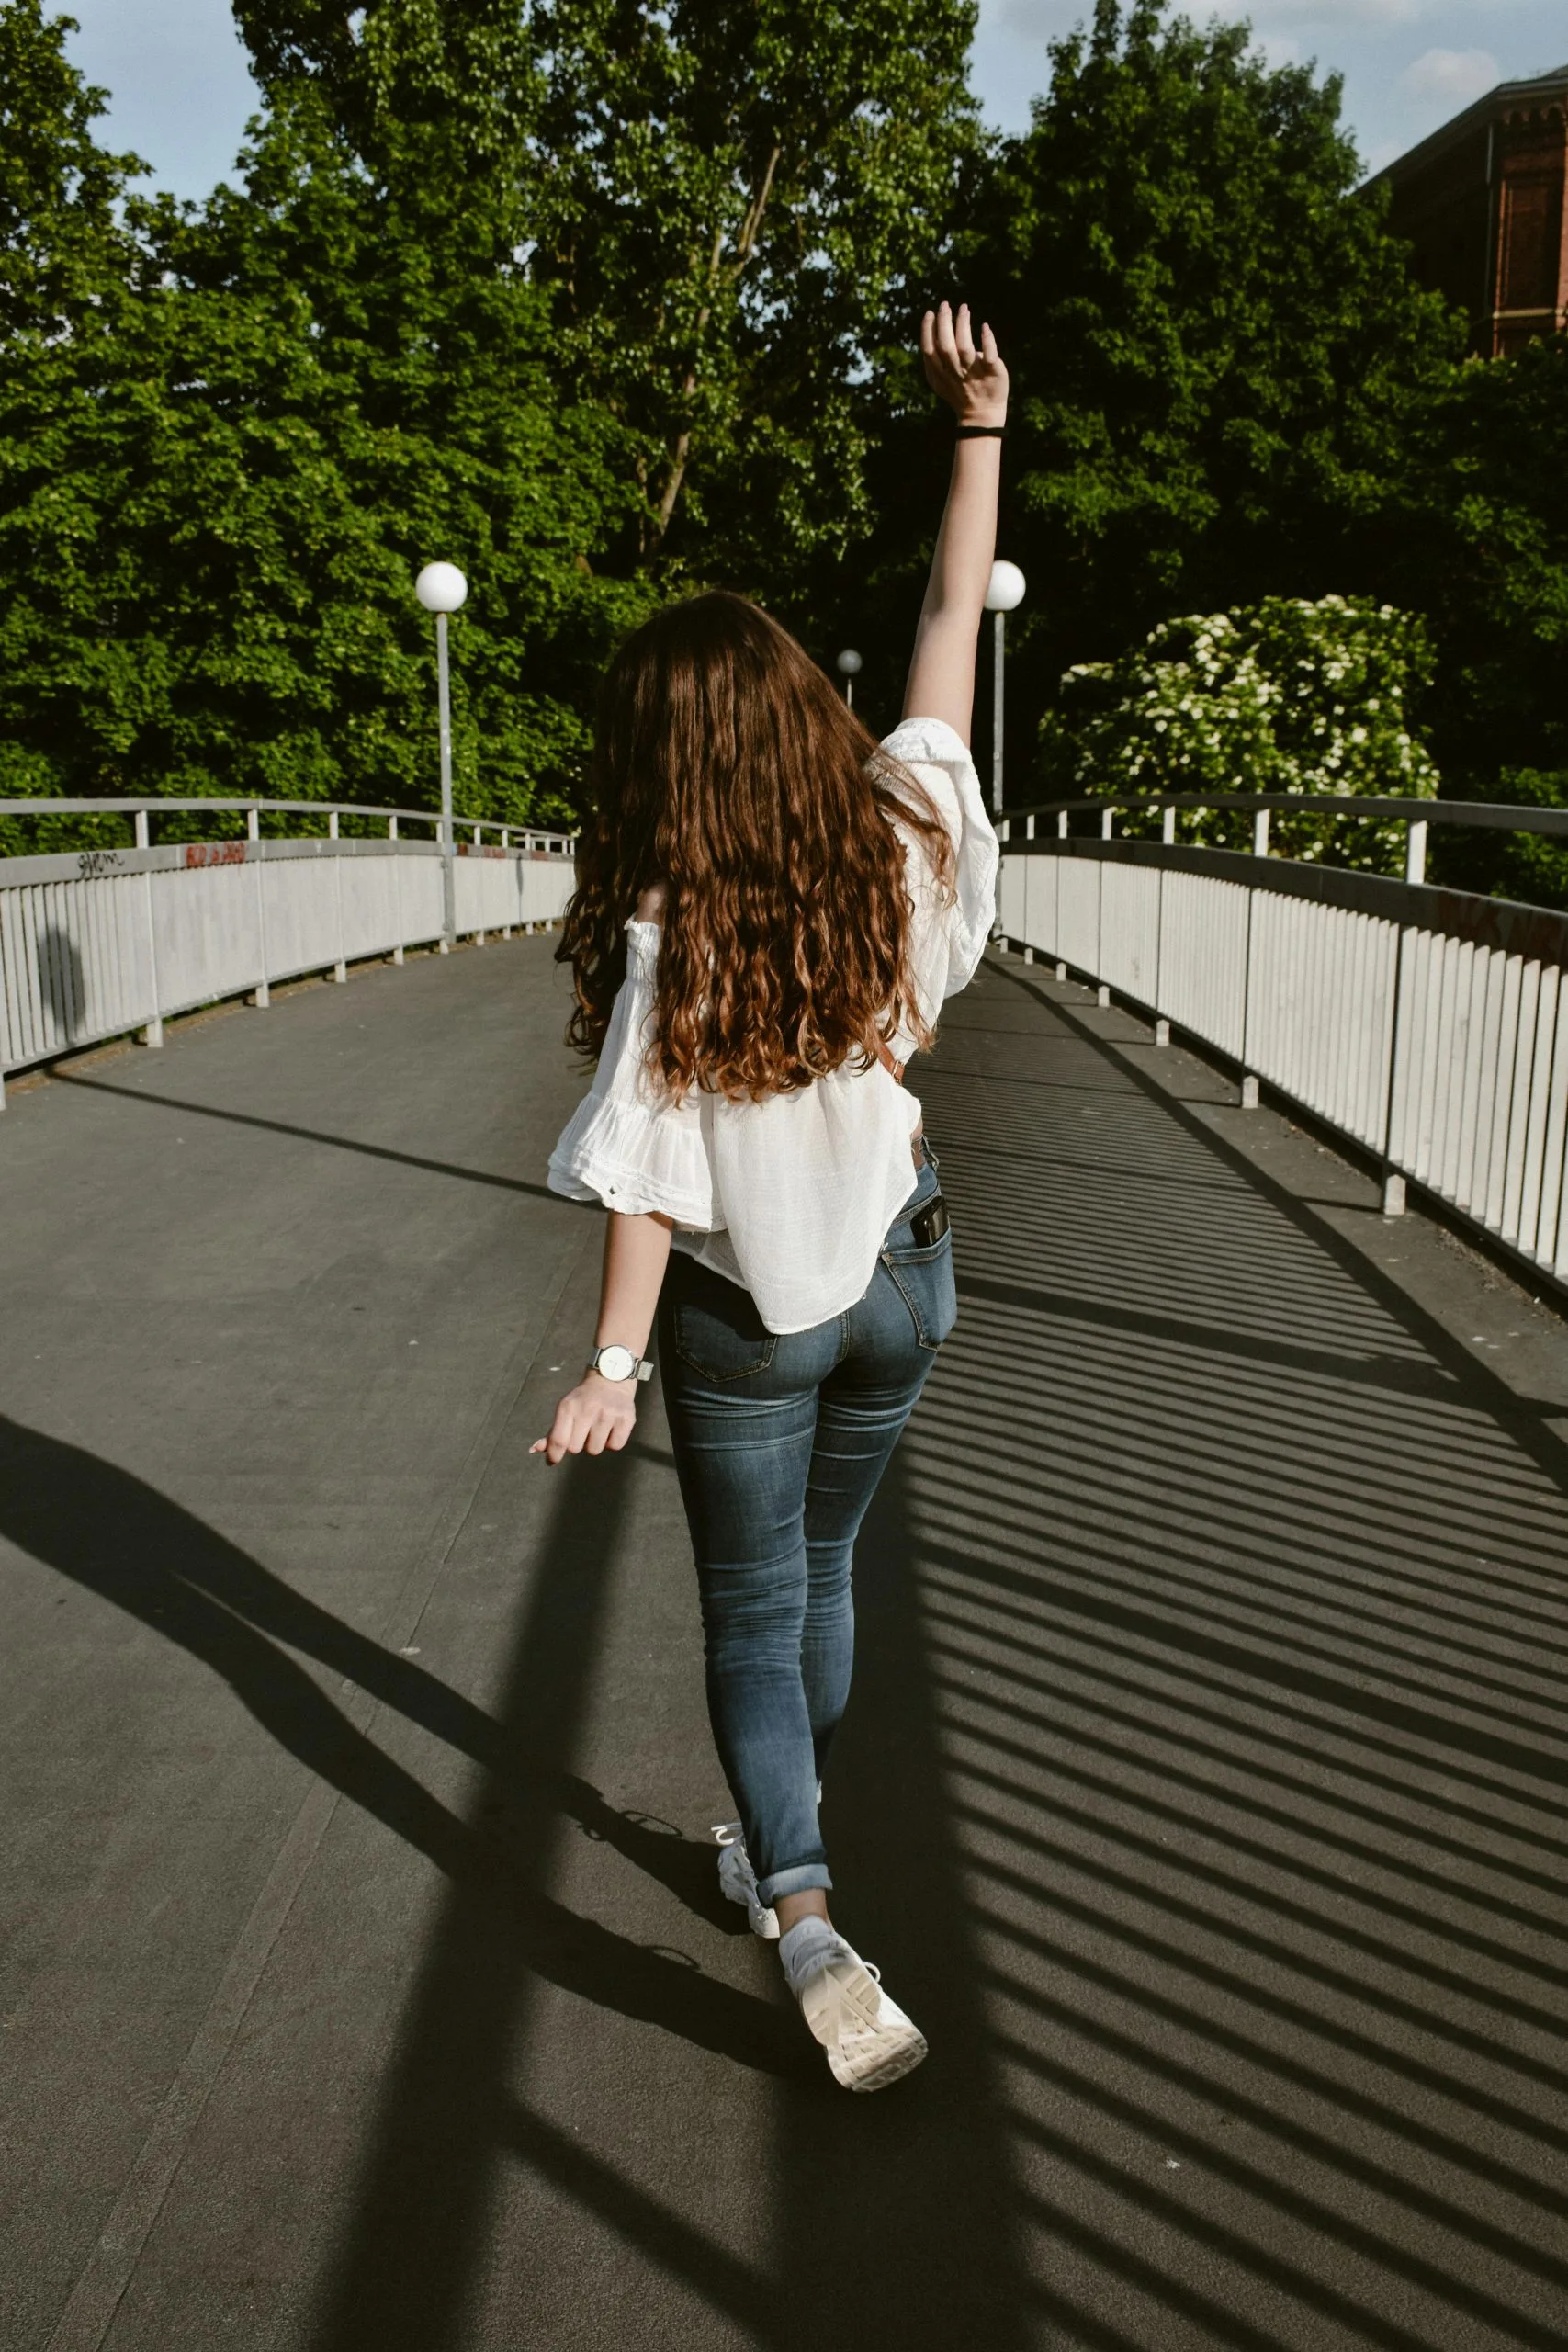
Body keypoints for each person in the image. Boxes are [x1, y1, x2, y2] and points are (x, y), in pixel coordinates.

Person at [535, 300, 1006, 2092]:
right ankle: (775, 1829)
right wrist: (978, 427)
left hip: (753, 1321)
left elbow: (650, 1186)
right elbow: (949, 625)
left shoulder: (674, 940)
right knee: (825, 1560)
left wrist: (610, 1365)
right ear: (800, 720)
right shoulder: (894, 831)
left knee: (745, 1604)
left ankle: (800, 1904)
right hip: (908, 1279)